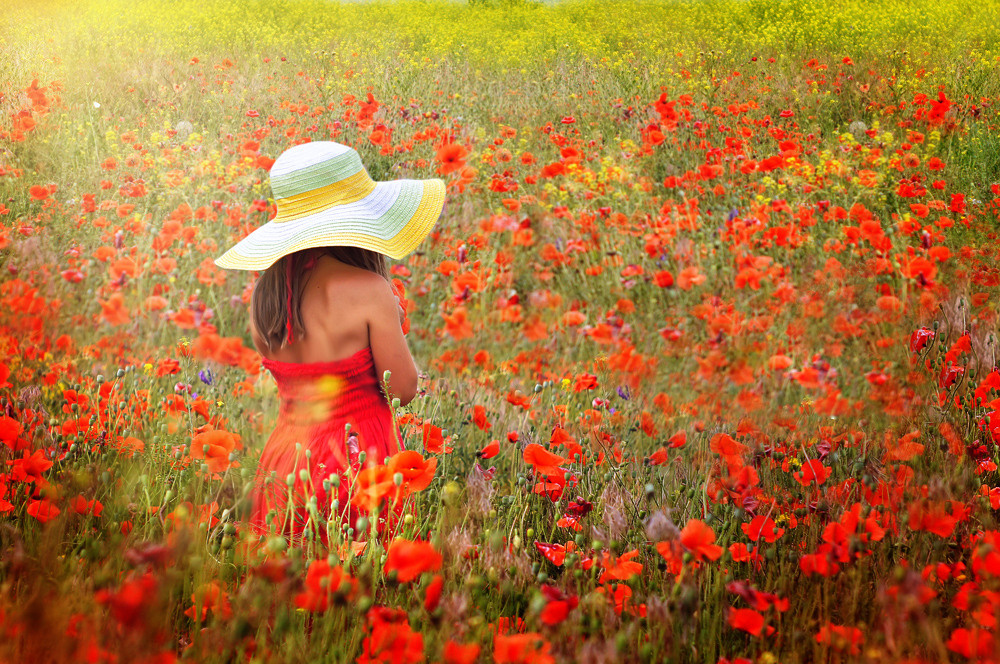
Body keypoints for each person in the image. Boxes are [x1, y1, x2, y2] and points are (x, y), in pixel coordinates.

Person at [214, 140, 446, 549]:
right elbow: (403, 390)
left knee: (292, 576)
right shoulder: (369, 290)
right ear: (355, 223)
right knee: (362, 576)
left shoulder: (265, 301)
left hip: (287, 465)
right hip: (358, 465)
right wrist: (394, 321)